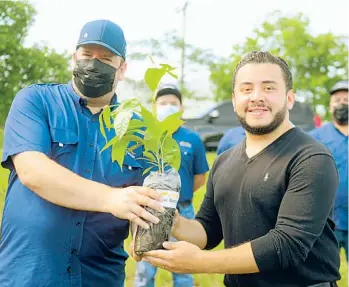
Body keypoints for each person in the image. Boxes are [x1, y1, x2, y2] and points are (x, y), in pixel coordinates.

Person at [134, 51, 341, 287]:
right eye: (246, 89)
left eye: (269, 88)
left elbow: (287, 244)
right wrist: (173, 222)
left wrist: (200, 263)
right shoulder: (224, 161)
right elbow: (207, 231)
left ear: (290, 98)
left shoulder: (310, 157)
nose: (256, 97)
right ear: (234, 101)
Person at [0, 19, 165, 287]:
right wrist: (110, 198)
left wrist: (146, 233)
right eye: (87, 55)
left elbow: (143, 197)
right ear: (75, 57)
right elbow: (32, 170)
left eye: (106, 58)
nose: (94, 64)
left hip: (99, 277)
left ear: (122, 68)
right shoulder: (36, 101)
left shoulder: (137, 129)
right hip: (28, 275)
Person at [134, 84, 209, 287]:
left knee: (183, 268)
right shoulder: (146, 138)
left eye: (173, 103)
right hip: (149, 210)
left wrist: (175, 197)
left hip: (183, 211)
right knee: (146, 268)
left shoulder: (191, 139)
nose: (168, 106)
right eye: (163, 103)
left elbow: (200, 176)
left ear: (181, 108)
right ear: (155, 107)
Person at [310, 80, 348, 261]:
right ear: (330, 106)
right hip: (326, 221)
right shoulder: (315, 138)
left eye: (346, 100)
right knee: (324, 271)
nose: (342, 104)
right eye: (337, 100)